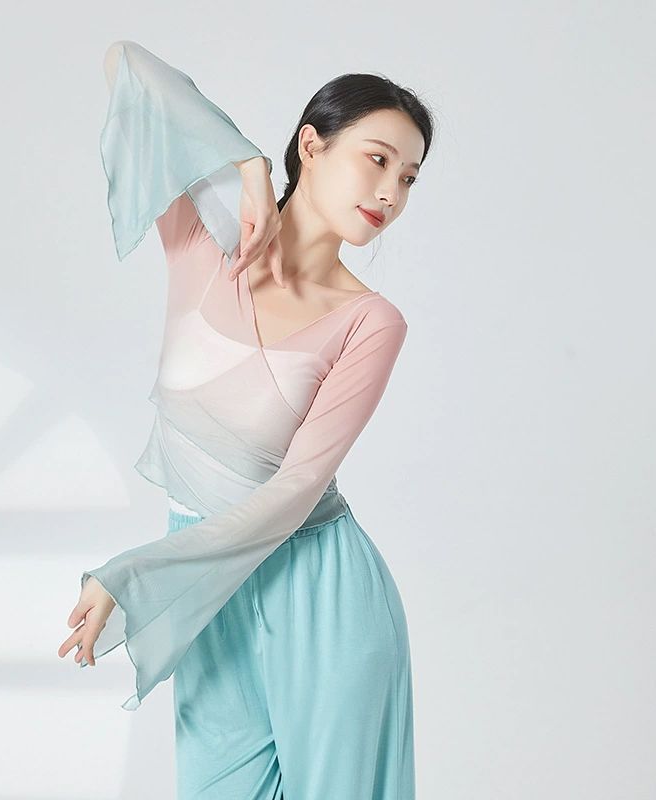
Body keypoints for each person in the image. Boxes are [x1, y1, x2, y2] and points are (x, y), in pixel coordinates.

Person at [57, 39, 434, 799]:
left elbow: (294, 492)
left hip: (318, 593)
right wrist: (249, 165)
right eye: (377, 159)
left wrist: (137, 572)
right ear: (311, 145)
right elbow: (128, 68)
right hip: (208, 596)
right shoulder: (201, 244)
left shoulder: (371, 323)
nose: (391, 192)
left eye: (409, 177)